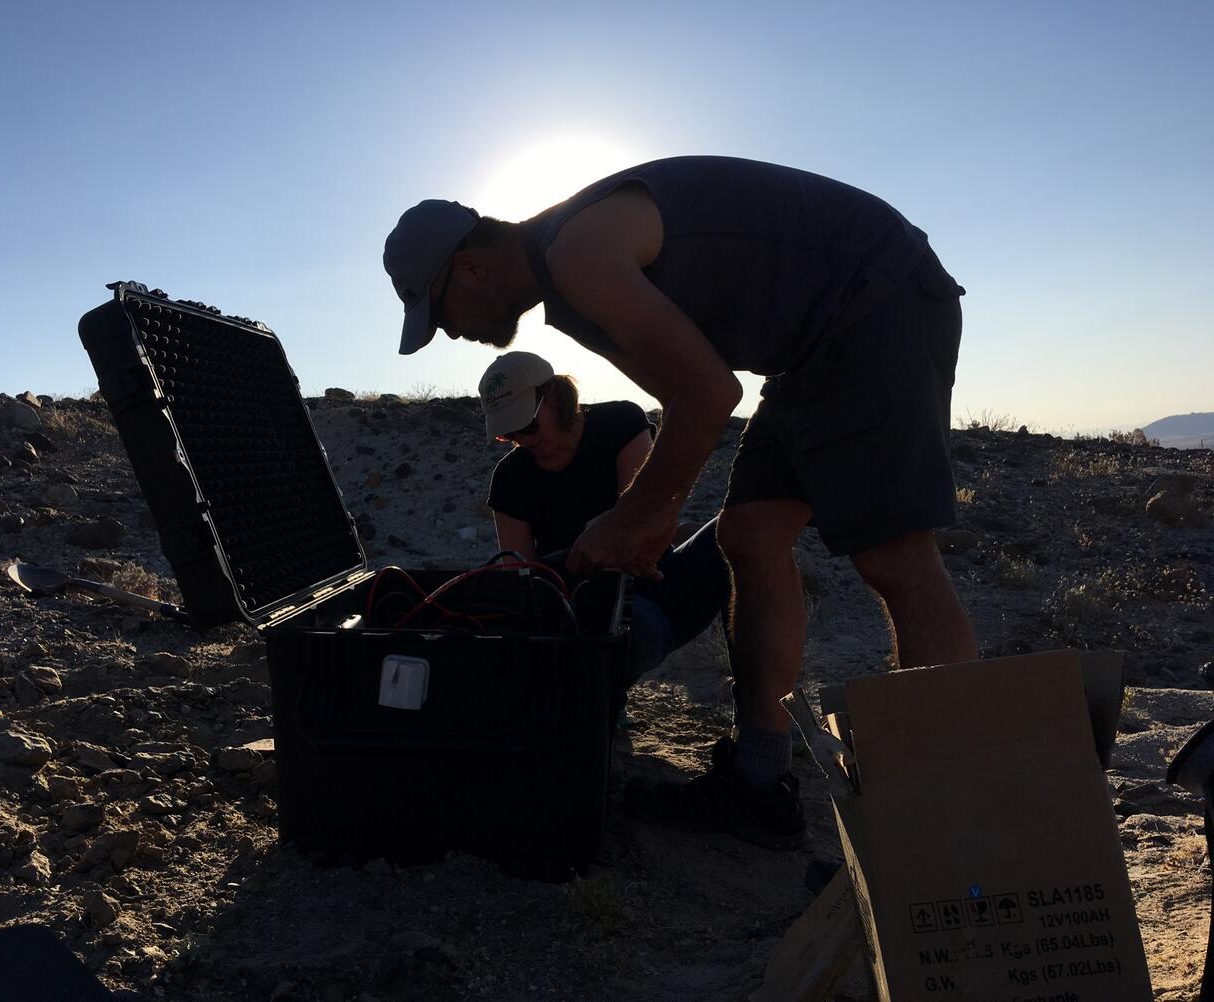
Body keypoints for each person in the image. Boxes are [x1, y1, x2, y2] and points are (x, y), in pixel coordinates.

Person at [383, 156, 978, 850]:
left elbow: (708, 396)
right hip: (815, 345)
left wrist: (637, 513)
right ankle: (759, 783)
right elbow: (690, 393)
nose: (449, 332)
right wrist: (648, 509)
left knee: (896, 556)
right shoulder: (567, 281)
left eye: (437, 312)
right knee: (749, 535)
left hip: (875, 298)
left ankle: (952, 816)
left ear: (470, 269)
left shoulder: (576, 255)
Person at [477, 349, 730, 690]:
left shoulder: (620, 424)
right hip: (582, 607)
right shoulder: (510, 478)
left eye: (528, 424)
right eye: (510, 435)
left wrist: (612, 548)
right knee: (631, 630)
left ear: (555, 396)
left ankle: (756, 708)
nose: (524, 440)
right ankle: (600, 692)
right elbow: (521, 580)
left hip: (654, 580)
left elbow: (643, 525)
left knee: (734, 533)